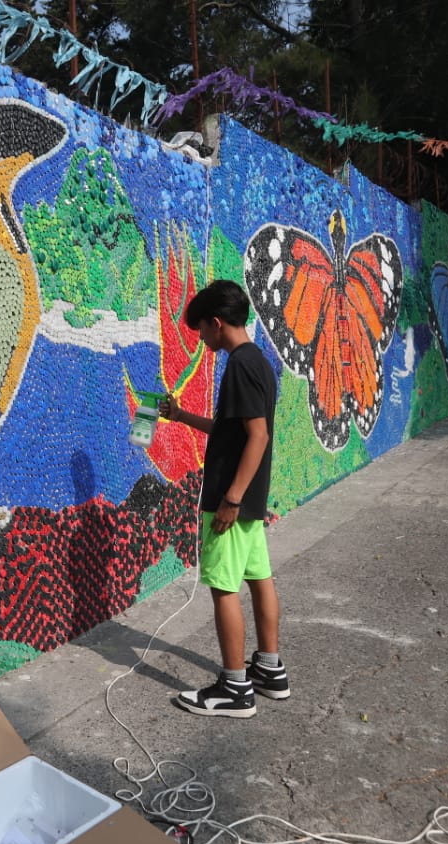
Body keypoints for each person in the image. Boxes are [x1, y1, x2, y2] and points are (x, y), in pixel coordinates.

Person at [159, 279, 288, 718]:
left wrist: (231, 498)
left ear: (217, 324)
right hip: (251, 502)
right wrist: (181, 417)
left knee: (222, 588)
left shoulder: (239, 366)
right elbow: (231, 431)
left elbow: (258, 436)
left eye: (201, 330)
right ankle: (269, 670)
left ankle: (235, 688)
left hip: (233, 501)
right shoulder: (260, 364)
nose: (200, 339)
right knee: (259, 579)